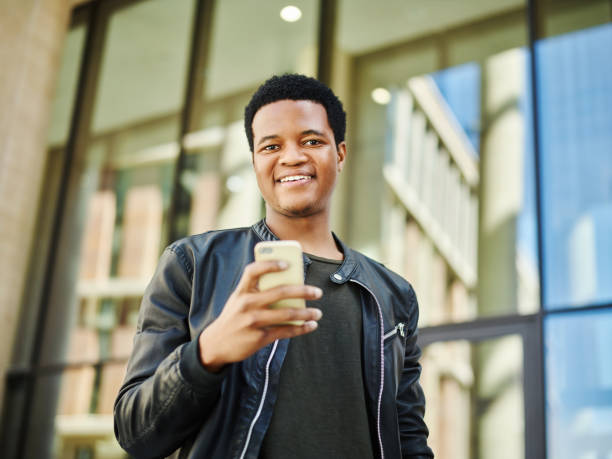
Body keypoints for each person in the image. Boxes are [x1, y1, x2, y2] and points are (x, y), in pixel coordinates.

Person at [114, 74, 433, 459]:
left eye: (312, 141)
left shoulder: (393, 294)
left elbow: (410, 438)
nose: (292, 157)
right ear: (254, 162)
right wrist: (209, 351)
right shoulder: (193, 264)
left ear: (340, 153)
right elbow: (135, 433)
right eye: (271, 146)